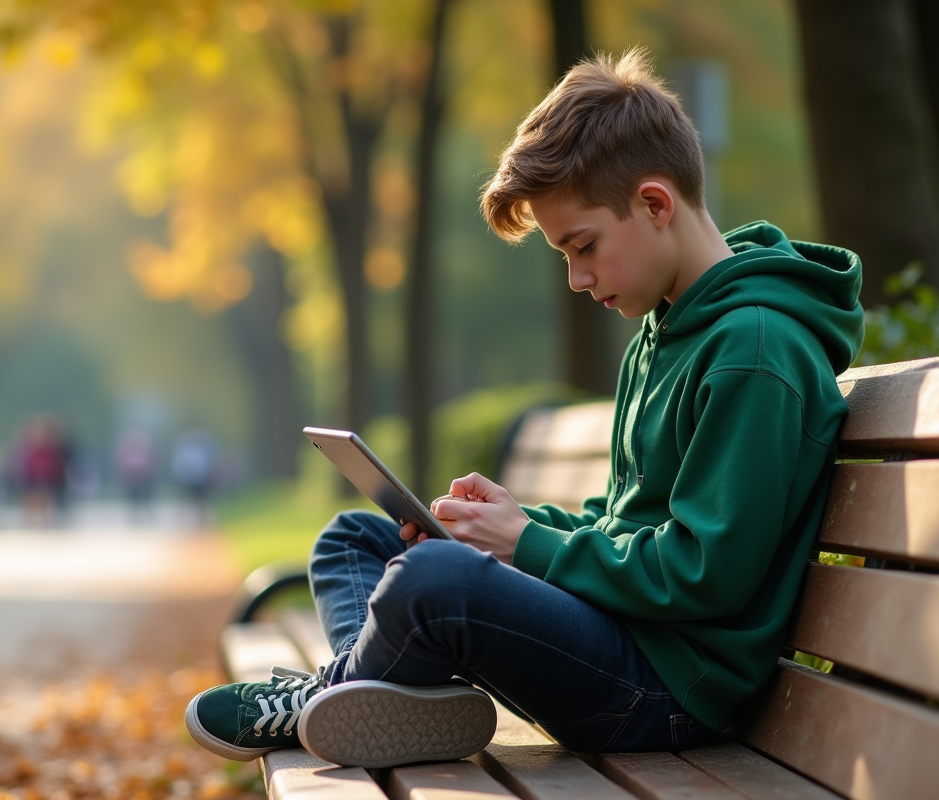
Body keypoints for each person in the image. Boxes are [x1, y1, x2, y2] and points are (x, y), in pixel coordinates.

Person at [184, 48, 865, 768]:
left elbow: (707, 573)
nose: (576, 278)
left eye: (584, 247)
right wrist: (511, 525)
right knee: (357, 538)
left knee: (432, 580)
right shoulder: (665, 328)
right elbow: (624, 522)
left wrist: (524, 547)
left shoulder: (753, 351)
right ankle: (384, 696)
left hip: (668, 689)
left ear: (655, 204)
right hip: (627, 636)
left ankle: (332, 695)